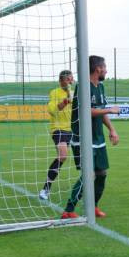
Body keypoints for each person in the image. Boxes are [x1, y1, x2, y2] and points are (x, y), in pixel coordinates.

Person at [61, 56, 120, 219]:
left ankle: (93, 206)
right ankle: (68, 210)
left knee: (102, 173)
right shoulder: (82, 87)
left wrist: (112, 129)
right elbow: (86, 111)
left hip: (98, 139)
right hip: (82, 138)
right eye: (105, 67)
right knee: (89, 174)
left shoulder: (100, 87)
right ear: (98, 69)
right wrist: (109, 111)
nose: (106, 70)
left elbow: (101, 110)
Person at [39, 70, 75, 200]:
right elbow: (53, 111)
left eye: (72, 79)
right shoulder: (54, 93)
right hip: (58, 129)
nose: (71, 81)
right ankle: (45, 189)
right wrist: (66, 101)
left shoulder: (75, 93)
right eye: (68, 79)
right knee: (63, 155)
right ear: (61, 81)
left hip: (73, 130)